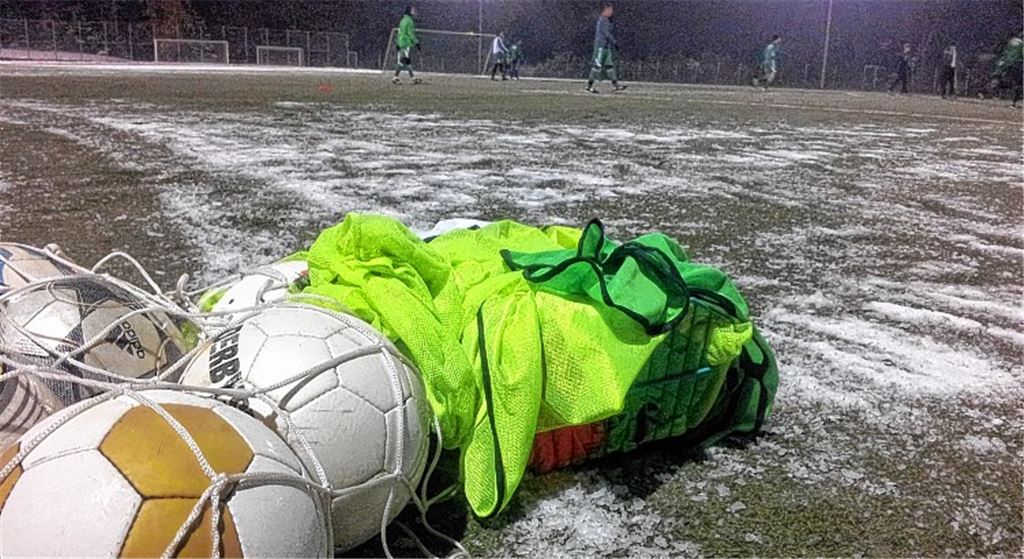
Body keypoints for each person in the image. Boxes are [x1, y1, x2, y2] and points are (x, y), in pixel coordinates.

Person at [586, 2, 626, 94]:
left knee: (609, 66)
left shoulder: (608, 21)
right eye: (610, 10)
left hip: (606, 47)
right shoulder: (602, 20)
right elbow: (607, 34)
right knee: (597, 66)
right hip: (600, 47)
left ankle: (616, 85)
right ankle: (589, 86)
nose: (612, 12)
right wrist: (614, 42)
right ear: (605, 10)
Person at [393, 6, 421, 84]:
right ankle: (395, 78)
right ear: (409, 11)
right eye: (413, 10)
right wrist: (416, 42)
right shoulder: (409, 21)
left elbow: (399, 32)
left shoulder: (403, 20)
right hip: (405, 43)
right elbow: (410, 33)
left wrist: (398, 42)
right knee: (403, 61)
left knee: (406, 61)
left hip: (401, 42)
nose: (414, 11)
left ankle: (413, 78)